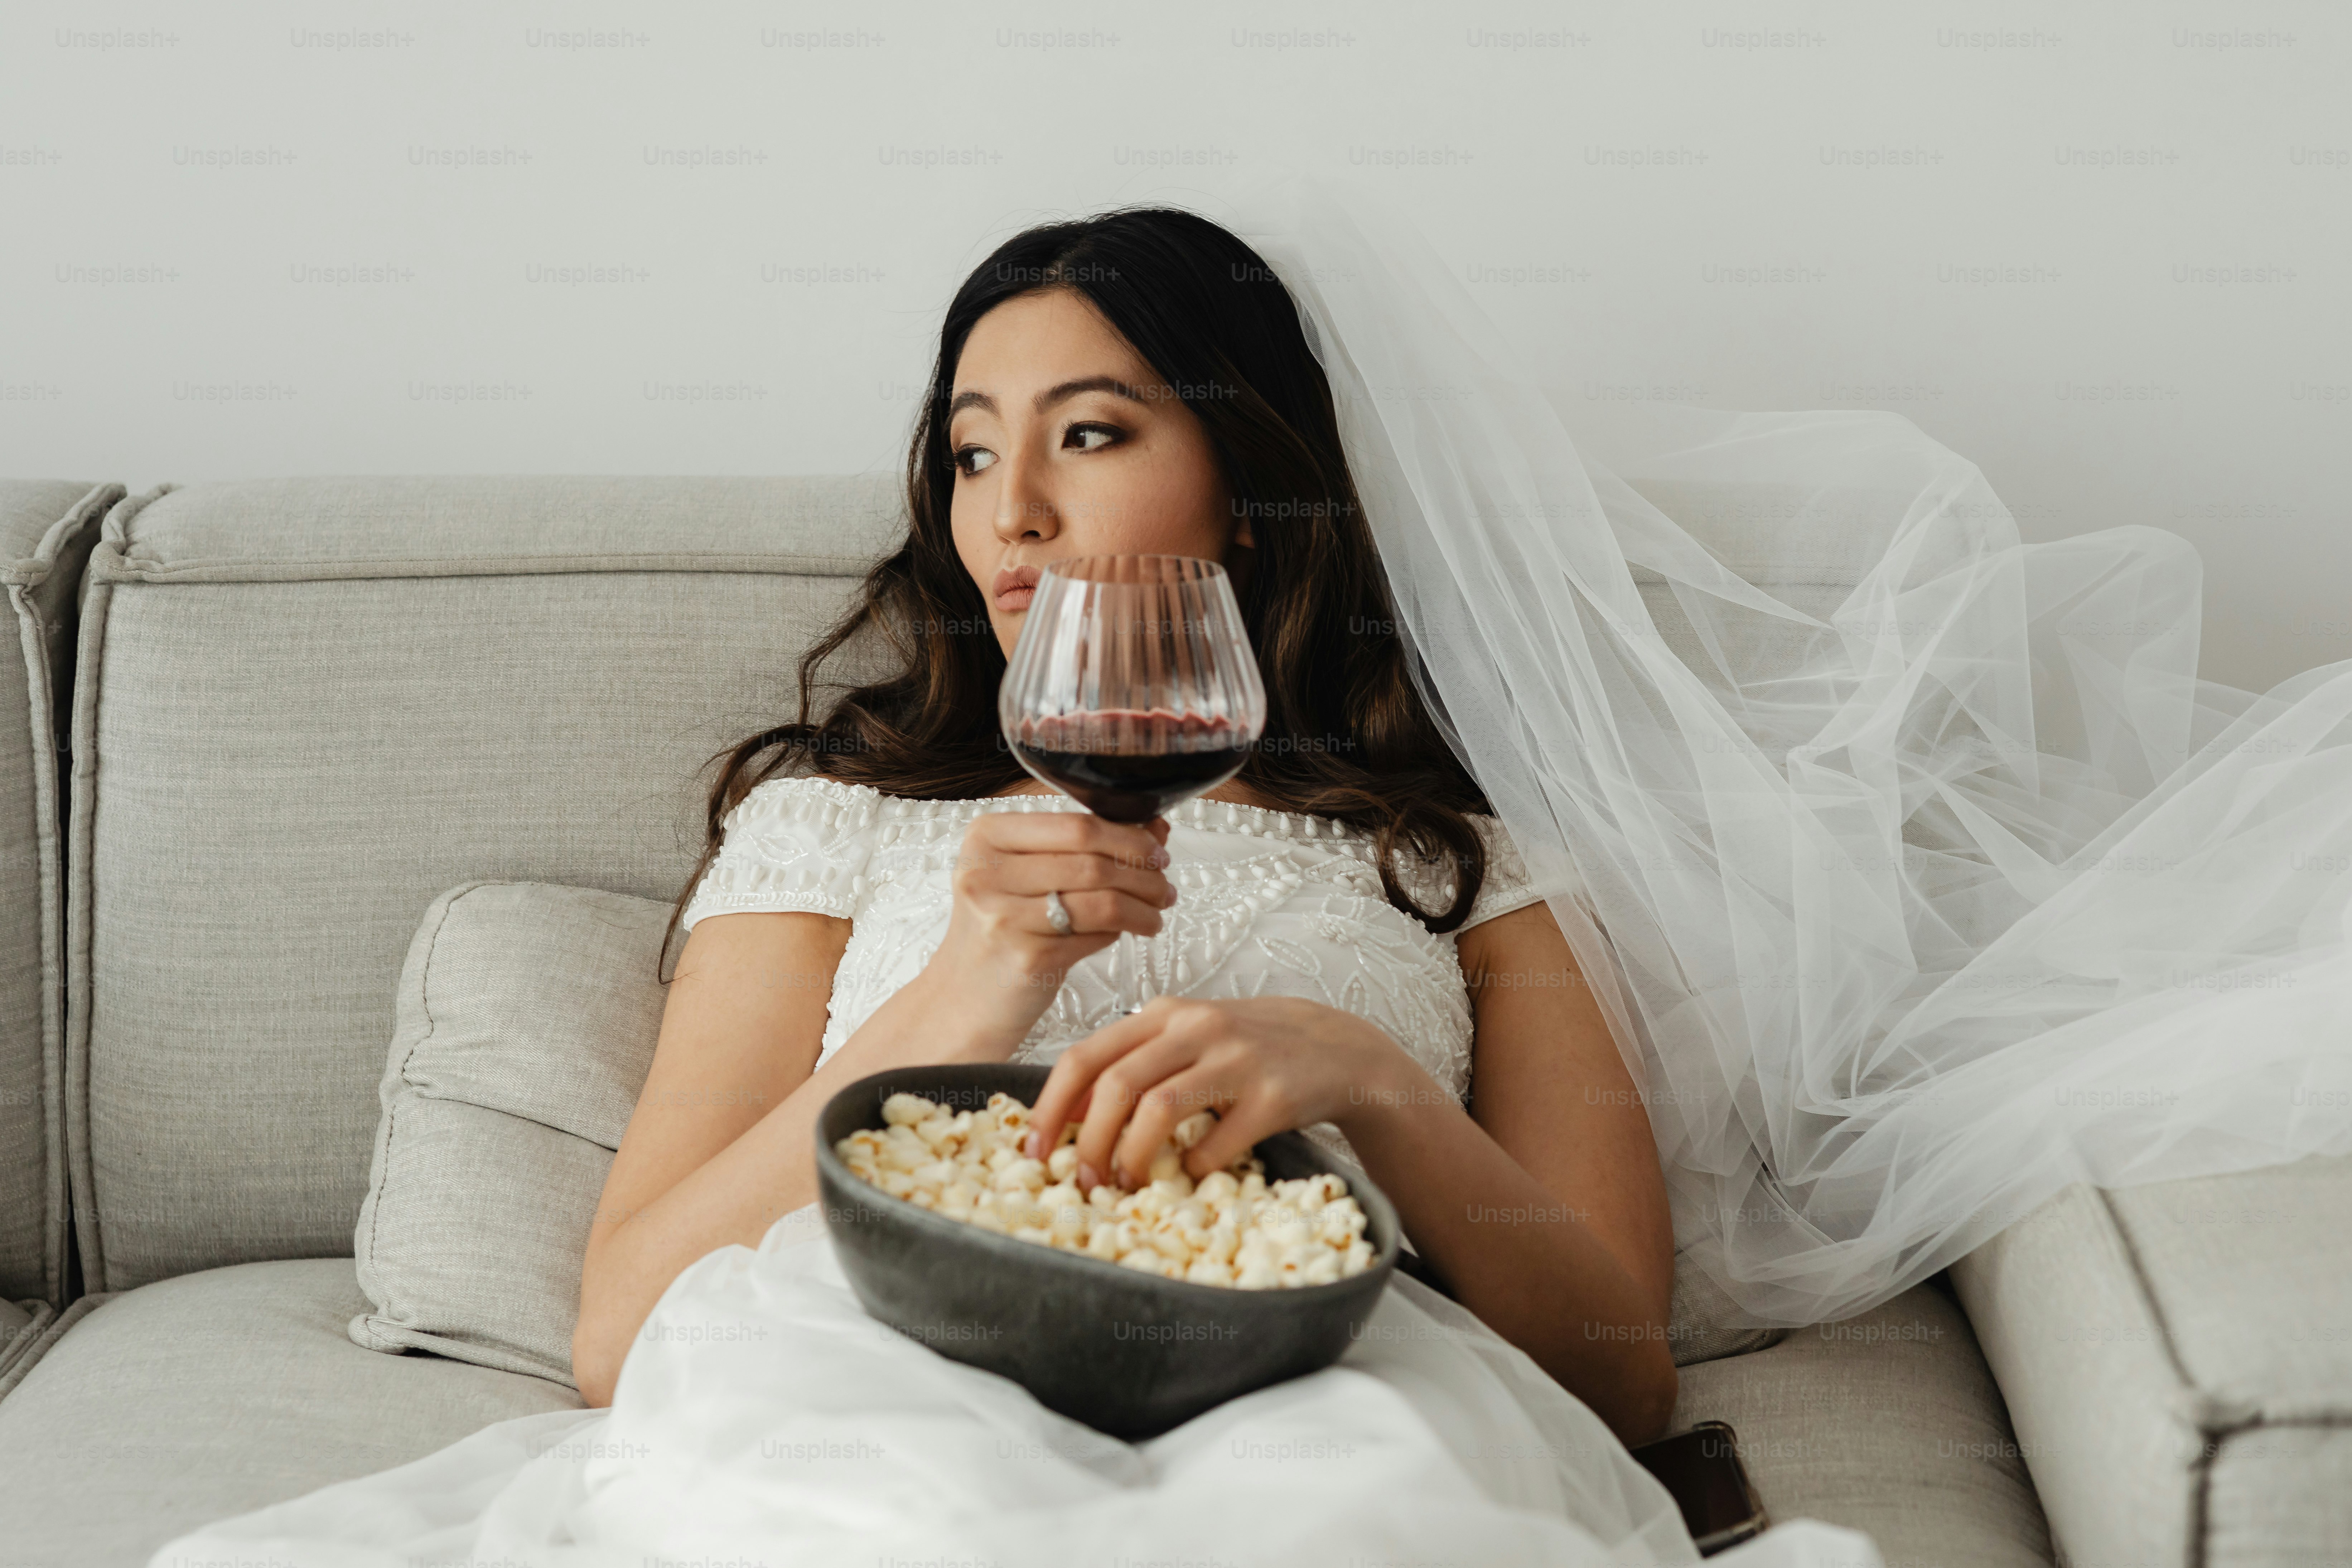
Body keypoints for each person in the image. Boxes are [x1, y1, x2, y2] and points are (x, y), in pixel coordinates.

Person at [148, 204, 1883, 1567]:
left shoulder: (1465, 861)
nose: (1013, 518)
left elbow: (1613, 1371)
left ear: (1252, 494)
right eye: (975, 451)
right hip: (874, 1384)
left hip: (1307, 1392)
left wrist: (1356, 1084)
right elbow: (622, 1334)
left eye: (1092, 436)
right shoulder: (837, 820)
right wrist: (958, 997)